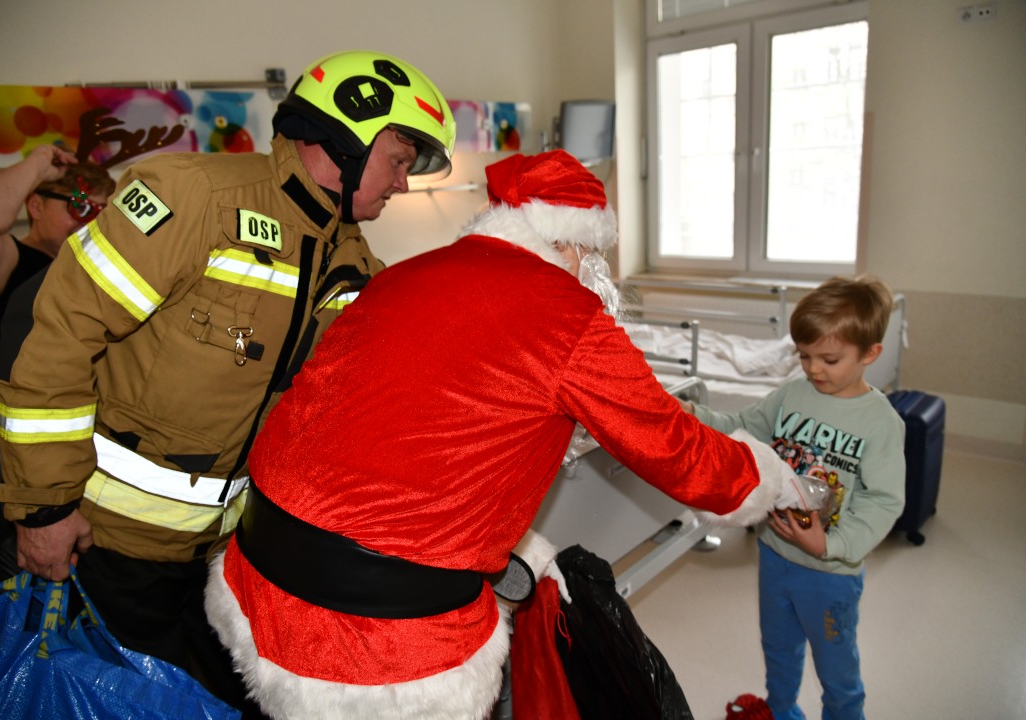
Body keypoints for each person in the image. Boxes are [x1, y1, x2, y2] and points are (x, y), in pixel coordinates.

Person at [205, 150, 809, 720]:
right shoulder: (568, 318)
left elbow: (414, 436)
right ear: (570, 240)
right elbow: (677, 449)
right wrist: (772, 479)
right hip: (379, 643)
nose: (591, 272)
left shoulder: (403, 276)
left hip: (254, 577)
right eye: (590, 256)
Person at [0, 49, 456, 713]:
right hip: (104, 548)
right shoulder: (191, 197)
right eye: (401, 159)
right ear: (349, 137)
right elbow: (54, 335)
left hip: (226, 559)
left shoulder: (351, 259)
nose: (404, 183)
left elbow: (366, 390)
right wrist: (44, 508)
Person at [679, 275, 906, 720]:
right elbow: (742, 427)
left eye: (829, 359)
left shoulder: (881, 422)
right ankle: (780, 711)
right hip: (775, 555)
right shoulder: (793, 394)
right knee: (779, 652)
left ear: (870, 354)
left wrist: (831, 545)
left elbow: (884, 501)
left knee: (837, 673)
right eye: (804, 356)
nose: (813, 369)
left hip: (829, 573)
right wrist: (691, 415)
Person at [0, 146, 115, 363]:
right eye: (81, 208)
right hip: (40, 394)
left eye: (102, 214)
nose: (90, 223)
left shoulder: (99, 267)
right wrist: (38, 165)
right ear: (36, 206)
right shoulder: (10, 265)